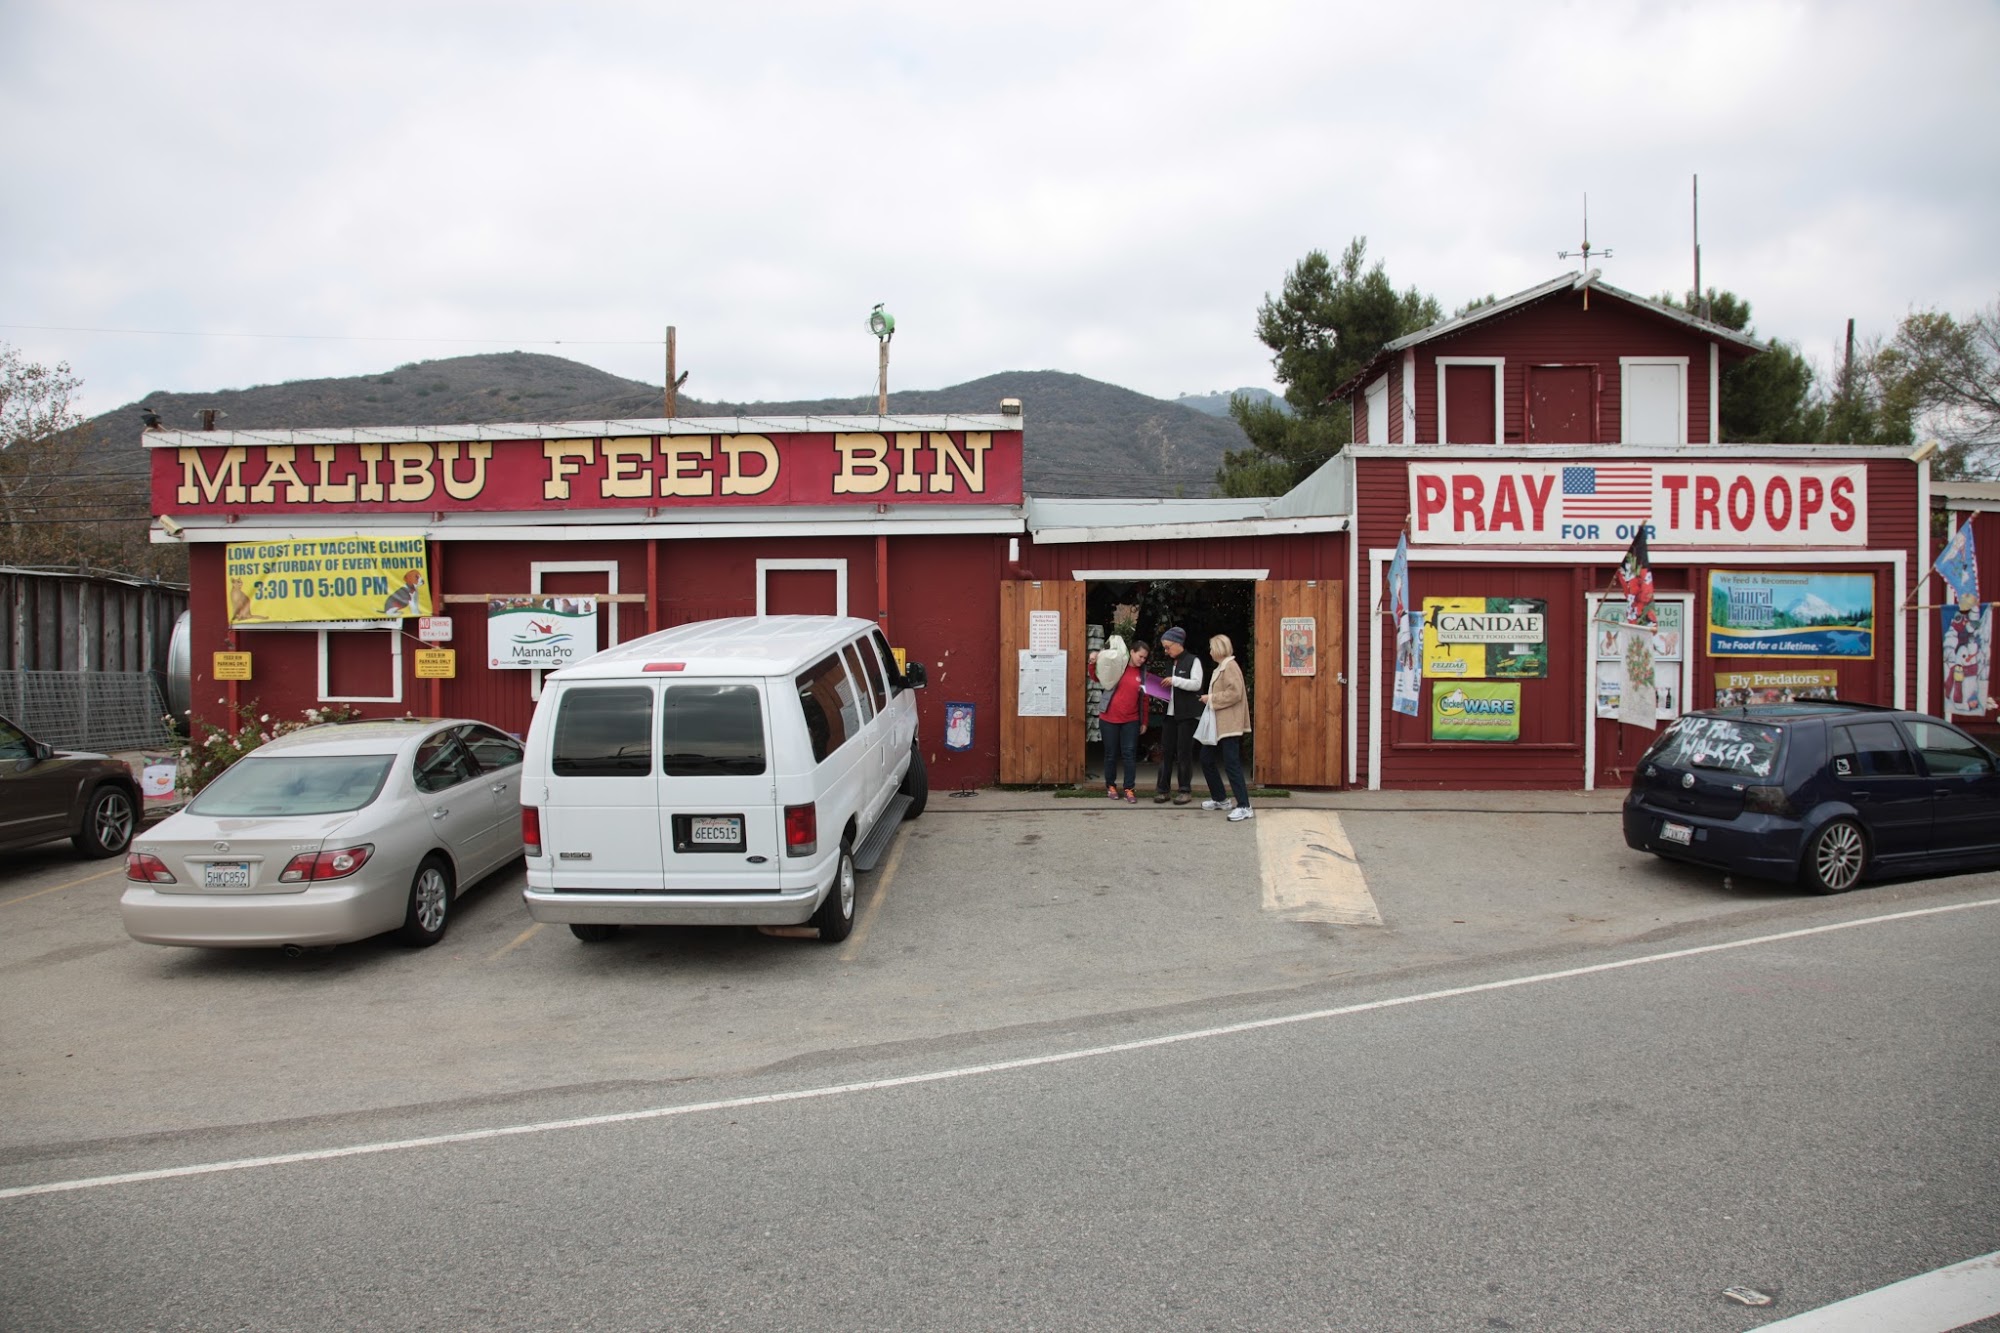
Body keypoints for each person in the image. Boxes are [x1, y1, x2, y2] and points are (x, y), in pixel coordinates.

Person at [1199, 633, 1252, 821]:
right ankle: (1220, 799)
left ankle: (1244, 805)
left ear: (1219, 649)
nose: (1210, 651)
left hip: (1229, 724)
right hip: (1219, 724)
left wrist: (1210, 698)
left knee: (1231, 764)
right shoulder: (1222, 667)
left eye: (1212, 647)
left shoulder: (1230, 666)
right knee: (1206, 759)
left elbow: (1235, 693)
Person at [1151, 626, 1204, 803]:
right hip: (1170, 713)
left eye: (1168, 647)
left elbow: (1196, 684)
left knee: (1184, 753)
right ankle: (1162, 790)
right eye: (1164, 648)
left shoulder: (1193, 660)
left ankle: (1185, 790)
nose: (1166, 651)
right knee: (1166, 751)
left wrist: (1175, 681)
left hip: (1187, 715)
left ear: (1178, 644)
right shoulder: (1169, 663)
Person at [1096, 639, 1149, 803]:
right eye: (1140, 656)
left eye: (1145, 658)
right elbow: (1097, 677)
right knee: (1110, 754)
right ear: (1132, 652)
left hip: (1131, 720)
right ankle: (1110, 786)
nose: (1142, 660)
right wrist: (1092, 662)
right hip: (1109, 718)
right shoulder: (1117, 666)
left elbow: (1145, 699)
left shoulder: (1142, 673)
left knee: (1129, 755)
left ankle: (1129, 789)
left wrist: (1144, 721)